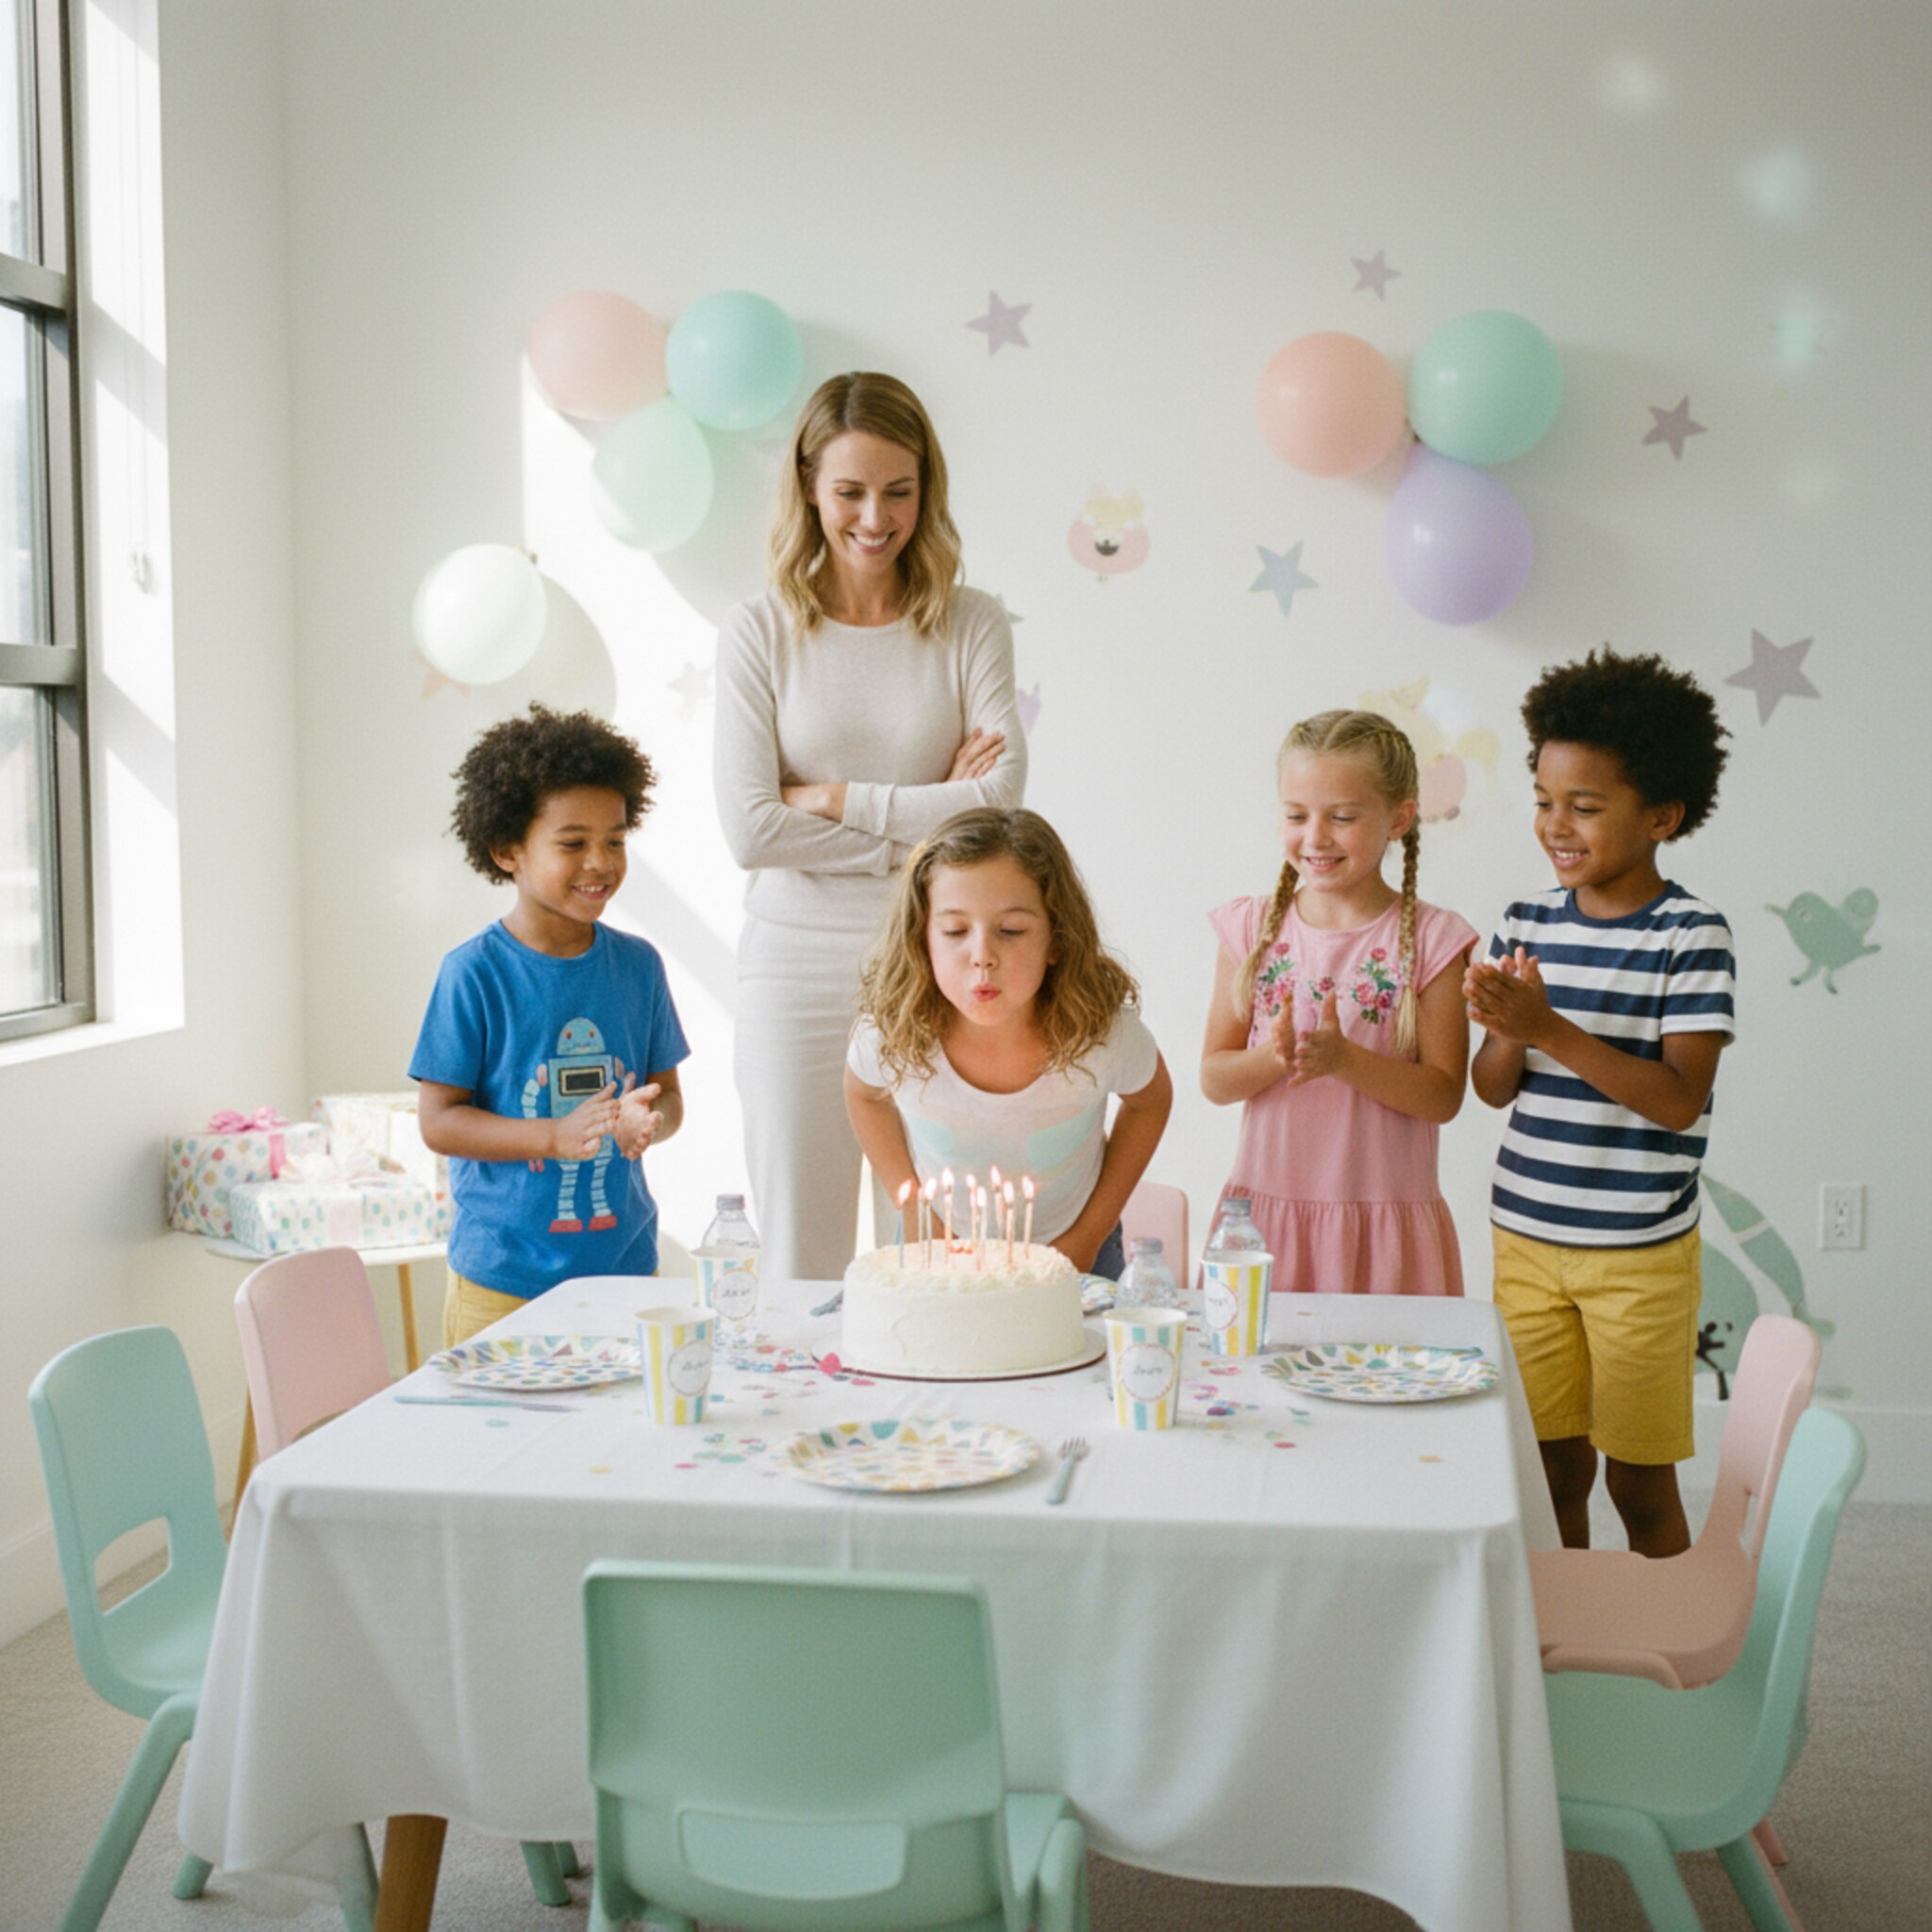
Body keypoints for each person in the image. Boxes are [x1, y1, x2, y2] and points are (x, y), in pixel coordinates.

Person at [715, 372, 1025, 1281]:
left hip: (930, 961)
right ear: (810, 487)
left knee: (933, 1242)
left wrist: (835, 796)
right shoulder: (760, 631)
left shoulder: (971, 622)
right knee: (799, 1252)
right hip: (794, 965)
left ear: (927, 490)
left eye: (899, 490)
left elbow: (1001, 797)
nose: (874, 518)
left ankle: (933, 1422)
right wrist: (924, 826)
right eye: (850, 491)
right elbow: (751, 830)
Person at [1465, 647, 1733, 1557]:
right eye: (1544, 801)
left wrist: (1548, 1028)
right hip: (1526, 1242)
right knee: (1549, 1471)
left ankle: (1671, 1644)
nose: (1556, 825)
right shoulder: (1526, 921)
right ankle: (1568, 1649)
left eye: (1584, 807)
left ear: (1662, 815)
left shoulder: (1690, 934)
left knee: (1638, 1477)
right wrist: (1505, 1025)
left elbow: (1678, 1101)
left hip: (1637, 1259)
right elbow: (1492, 1088)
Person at [412, 705, 688, 1347]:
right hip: (502, 1283)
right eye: (573, 843)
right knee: (496, 1445)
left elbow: (668, 1096)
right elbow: (439, 1121)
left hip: (626, 1274)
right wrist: (552, 1137)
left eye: (615, 841)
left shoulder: (639, 967)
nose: (600, 862)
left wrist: (650, 1121)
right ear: (508, 849)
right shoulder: (473, 974)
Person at [1200, 710, 1477, 1293]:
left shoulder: (1434, 941)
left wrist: (1345, 1061)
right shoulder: (1251, 929)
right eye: (1297, 815)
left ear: (1399, 818)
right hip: (1265, 1232)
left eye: (1343, 817)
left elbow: (1444, 1095)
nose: (1316, 837)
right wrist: (1274, 1059)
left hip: (1385, 1231)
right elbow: (1215, 1079)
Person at [844, 808, 1171, 1280]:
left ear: (1056, 938)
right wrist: (917, 1211)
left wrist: (1090, 1233)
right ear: (922, 939)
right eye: (955, 931)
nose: (982, 957)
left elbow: (1151, 1101)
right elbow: (862, 1094)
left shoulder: (1101, 1035)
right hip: (938, 1251)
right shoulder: (891, 1033)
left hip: (1078, 1250)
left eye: (1012, 931)